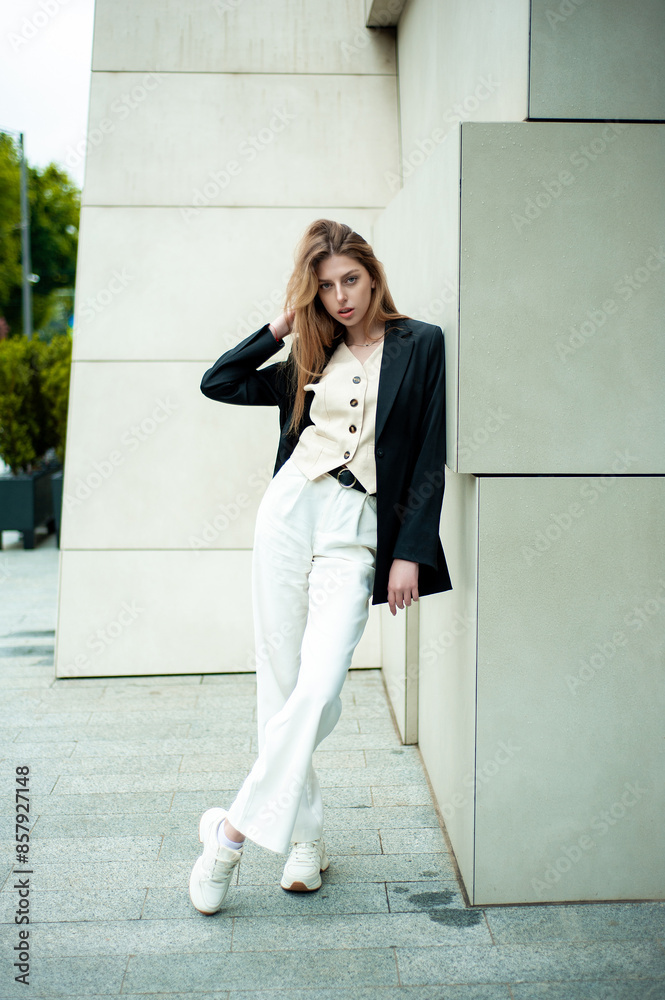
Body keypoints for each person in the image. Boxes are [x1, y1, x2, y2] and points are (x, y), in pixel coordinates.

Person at [188, 218, 452, 914]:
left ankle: (229, 834)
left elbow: (429, 452)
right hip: (289, 512)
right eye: (326, 286)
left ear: (373, 275)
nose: (341, 297)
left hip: (356, 528)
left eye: (350, 280)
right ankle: (304, 841)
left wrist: (409, 552)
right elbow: (219, 382)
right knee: (280, 685)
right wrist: (284, 323)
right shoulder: (312, 350)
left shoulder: (421, 343)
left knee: (319, 685)